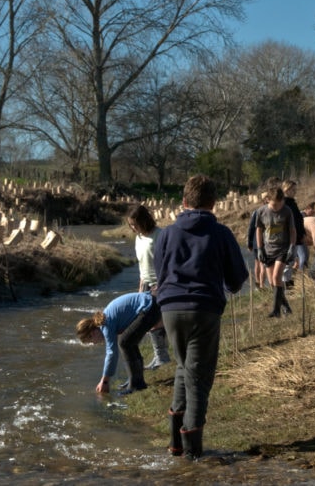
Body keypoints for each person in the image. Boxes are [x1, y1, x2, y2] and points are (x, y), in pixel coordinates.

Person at [153, 175, 248, 460]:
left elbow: (159, 271)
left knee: (184, 367)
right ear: (214, 203)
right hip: (204, 308)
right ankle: (193, 455)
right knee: (200, 379)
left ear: (183, 202)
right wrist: (230, 285)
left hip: (170, 308)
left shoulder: (167, 233)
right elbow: (236, 278)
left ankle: (176, 446)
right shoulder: (220, 233)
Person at [75, 291, 161, 395]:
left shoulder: (105, 325)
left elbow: (111, 353)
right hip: (151, 304)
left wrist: (105, 380)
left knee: (124, 343)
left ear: (92, 332)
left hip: (149, 307)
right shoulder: (104, 320)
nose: (93, 344)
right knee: (130, 342)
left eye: (91, 340)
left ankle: (136, 385)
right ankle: (136, 380)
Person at [127, 204, 170, 370]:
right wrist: (140, 287)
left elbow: (167, 260)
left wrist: (162, 282)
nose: (133, 228)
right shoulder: (138, 238)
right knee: (147, 321)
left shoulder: (159, 235)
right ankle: (158, 355)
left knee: (155, 321)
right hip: (145, 283)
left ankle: (162, 357)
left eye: (135, 224)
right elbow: (141, 265)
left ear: (144, 220)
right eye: (130, 225)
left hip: (159, 282)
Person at [255, 187, 296, 318]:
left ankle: (275, 311)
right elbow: (259, 230)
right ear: (267, 200)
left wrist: (292, 247)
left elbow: (292, 230)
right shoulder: (261, 212)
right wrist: (260, 248)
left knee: (276, 278)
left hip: (282, 249)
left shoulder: (287, 211)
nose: (277, 207)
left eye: (280, 204)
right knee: (273, 283)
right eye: (274, 205)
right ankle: (286, 307)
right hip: (268, 250)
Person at [281, 179, 306, 283]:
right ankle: (286, 284)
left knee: (293, 261)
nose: (295, 192)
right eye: (293, 190)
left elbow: (297, 220)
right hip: (290, 237)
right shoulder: (285, 203)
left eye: (295, 190)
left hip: (296, 236)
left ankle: (289, 282)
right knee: (289, 262)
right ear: (286, 190)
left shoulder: (291, 202)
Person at [246, 192, 269, 290]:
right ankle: (261, 285)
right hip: (262, 241)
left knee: (259, 263)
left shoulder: (256, 212)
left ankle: (259, 285)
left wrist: (250, 242)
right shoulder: (260, 212)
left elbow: (251, 228)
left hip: (257, 241)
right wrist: (250, 242)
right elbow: (251, 228)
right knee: (261, 263)